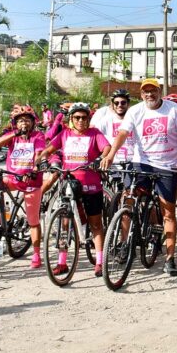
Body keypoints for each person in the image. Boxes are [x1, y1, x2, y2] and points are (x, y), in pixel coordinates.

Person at [104, 78, 177, 276]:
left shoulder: (172, 109)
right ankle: (124, 244)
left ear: (159, 92)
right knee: (128, 201)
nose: (149, 95)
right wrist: (110, 155)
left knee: (168, 211)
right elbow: (123, 133)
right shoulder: (135, 111)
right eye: (146, 92)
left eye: (153, 91)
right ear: (141, 94)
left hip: (167, 164)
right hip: (141, 161)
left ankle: (170, 258)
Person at [40, 102, 111, 277]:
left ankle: (100, 261)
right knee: (65, 224)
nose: (80, 121)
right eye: (77, 117)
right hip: (69, 184)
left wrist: (101, 158)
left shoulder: (95, 133)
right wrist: (41, 158)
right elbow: (49, 148)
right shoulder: (64, 134)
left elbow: (107, 148)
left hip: (91, 185)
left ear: (88, 118)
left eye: (84, 117)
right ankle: (62, 262)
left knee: (95, 224)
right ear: (71, 119)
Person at [0, 106, 47, 269]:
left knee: (33, 221)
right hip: (12, 179)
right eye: (21, 121)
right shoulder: (13, 136)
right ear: (16, 123)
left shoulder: (38, 136)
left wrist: (34, 169)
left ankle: (36, 254)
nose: (24, 123)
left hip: (31, 182)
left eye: (27, 120)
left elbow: (39, 154)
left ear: (33, 122)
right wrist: (14, 133)